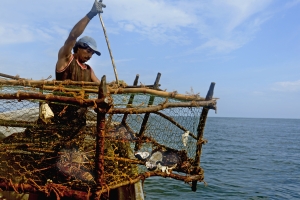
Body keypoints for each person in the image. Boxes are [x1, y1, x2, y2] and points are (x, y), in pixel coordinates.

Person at [55, 0, 106, 83]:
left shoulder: (88, 70)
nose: (90, 56)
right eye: (88, 51)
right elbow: (73, 36)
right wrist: (91, 14)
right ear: (78, 48)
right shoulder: (66, 58)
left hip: (81, 97)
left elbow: (100, 85)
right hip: (63, 96)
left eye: (92, 53)